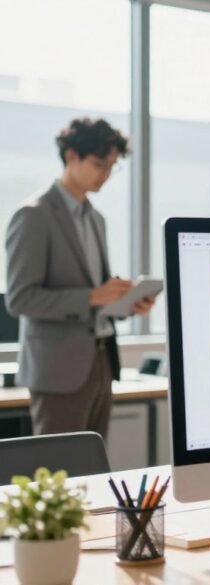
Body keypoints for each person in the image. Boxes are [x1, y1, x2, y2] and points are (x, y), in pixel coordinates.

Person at [5, 118, 155, 438]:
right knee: (62, 471)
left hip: (101, 362)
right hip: (58, 371)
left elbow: (97, 294)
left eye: (112, 166)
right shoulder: (33, 215)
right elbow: (20, 298)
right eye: (99, 164)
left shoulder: (96, 219)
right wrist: (93, 296)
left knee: (94, 468)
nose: (105, 174)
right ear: (71, 156)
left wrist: (128, 302)